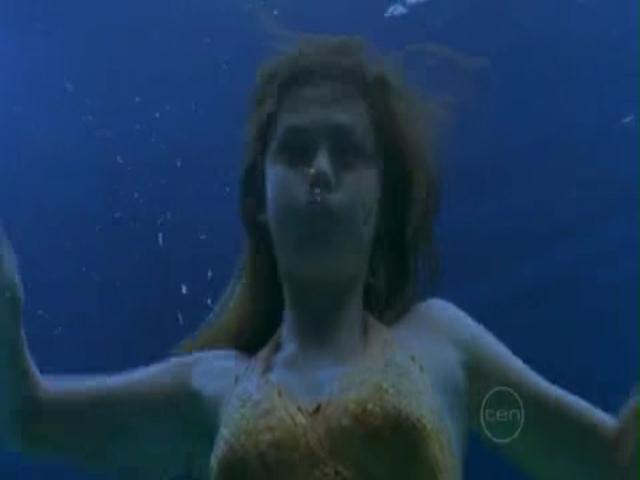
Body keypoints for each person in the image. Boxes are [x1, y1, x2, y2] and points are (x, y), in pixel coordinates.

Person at [0, 35, 637, 480]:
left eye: (348, 151)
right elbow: (27, 418)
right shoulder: (207, 392)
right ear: (258, 198)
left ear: (384, 196)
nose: (321, 171)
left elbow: (604, 463)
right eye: (297, 150)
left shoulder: (449, 360)